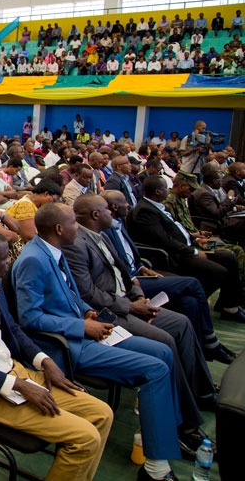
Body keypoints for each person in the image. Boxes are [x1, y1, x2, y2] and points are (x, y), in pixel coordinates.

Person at [13, 203, 183, 481]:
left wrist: (86, 311)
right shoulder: (33, 260)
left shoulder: (54, 250)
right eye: (73, 222)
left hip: (82, 330)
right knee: (156, 369)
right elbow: (29, 317)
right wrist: (81, 325)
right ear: (59, 228)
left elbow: (70, 294)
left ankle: (155, 428)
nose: (77, 227)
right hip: (67, 345)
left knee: (163, 352)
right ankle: (156, 468)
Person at [0, 229, 113, 481]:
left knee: (102, 414)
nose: (10, 261)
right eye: (5, 258)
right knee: (85, 437)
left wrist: (44, 360)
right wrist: (20, 386)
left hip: (17, 372)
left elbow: (13, 328)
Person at [67, 194, 215, 452]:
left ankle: (201, 393)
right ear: (95, 215)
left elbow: (124, 270)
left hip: (128, 300)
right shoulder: (76, 244)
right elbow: (88, 293)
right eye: (107, 209)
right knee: (164, 342)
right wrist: (130, 306)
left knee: (181, 323)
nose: (112, 212)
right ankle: (183, 425)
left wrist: (137, 296)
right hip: (109, 312)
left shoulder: (101, 235)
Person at [102, 190, 235, 364]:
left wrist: (142, 267)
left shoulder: (119, 223)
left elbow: (129, 255)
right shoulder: (105, 231)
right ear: (113, 206)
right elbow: (117, 266)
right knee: (193, 283)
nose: (128, 204)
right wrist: (135, 279)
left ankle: (198, 352)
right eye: (124, 202)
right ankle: (210, 340)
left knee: (190, 302)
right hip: (131, 283)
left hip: (140, 272)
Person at [131, 176, 245, 322]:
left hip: (187, 246)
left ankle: (229, 306)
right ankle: (198, 299)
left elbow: (177, 230)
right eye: (166, 188)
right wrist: (194, 251)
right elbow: (164, 240)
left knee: (229, 257)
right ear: (158, 191)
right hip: (175, 255)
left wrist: (195, 239)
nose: (169, 190)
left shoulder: (158, 206)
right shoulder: (145, 211)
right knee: (219, 272)